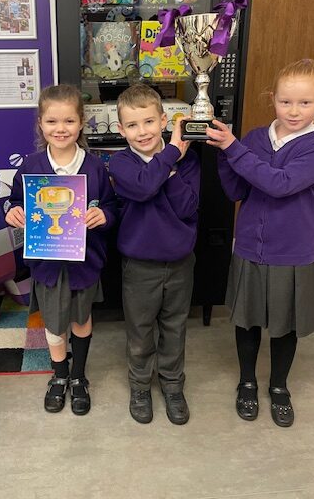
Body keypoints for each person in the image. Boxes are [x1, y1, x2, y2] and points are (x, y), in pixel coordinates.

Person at [206, 58, 314, 427]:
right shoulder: (256, 139)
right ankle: (247, 381)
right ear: (272, 98)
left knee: (284, 324)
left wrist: (233, 148)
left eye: (305, 103)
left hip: (292, 252)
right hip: (249, 246)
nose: (294, 111)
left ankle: (279, 386)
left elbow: (281, 184)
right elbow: (236, 189)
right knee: (247, 322)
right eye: (285, 102)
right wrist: (222, 152)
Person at [5, 84, 116, 415]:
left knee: (81, 319)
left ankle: (79, 376)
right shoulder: (30, 166)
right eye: (52, 122)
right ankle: (59, 375)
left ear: (81, 122)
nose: (61, 129)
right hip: (47, 262)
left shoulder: (95, 167)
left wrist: (104, 215)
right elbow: (14, 201)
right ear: (41, 123)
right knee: (54, 322)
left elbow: (113, 207)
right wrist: (11, 211)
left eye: (69, 121)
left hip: (85, 262)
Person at [108, 84, 200, 425]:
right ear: (121, 130)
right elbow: (145, 186)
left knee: (175, 328)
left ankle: (173, 386)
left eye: (149, 122)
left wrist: (173, 164)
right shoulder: (120, 162)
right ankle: (140, 386)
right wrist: (170, 156)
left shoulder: (187, 161)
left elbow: (188, 207)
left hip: (179, 264)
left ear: (164, 120)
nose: (142, 131)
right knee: (140, 331)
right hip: (139, 267)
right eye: (132, 125)